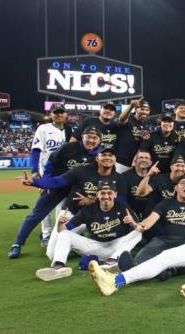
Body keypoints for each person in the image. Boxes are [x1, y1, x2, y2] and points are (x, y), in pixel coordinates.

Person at [9, 125, 101, 259]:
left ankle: (75, 242)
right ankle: (17, 244)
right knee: (37, 214)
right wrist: (45, 182)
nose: (91, 140)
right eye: (89, 137)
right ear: (82, 137)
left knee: (80, 215)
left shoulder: (99, 156)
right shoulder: (68, 148)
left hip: (78, 190)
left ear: (99, 140)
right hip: (56, 185)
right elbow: (51, 162)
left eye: (95, 138)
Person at [35, 182, 141, 281]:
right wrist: (59, 225)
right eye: (103, 193)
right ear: (97, 195)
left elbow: (140, 227)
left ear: (115, 194)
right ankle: (59, 267)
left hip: (116, 247)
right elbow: (63, 230)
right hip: (96, 247)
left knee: (138, 233)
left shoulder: (122, 207)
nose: (106, 196)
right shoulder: (89, 209)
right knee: (64, 234)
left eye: (109, 193)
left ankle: (112, 261)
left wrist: (133, 224)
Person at [29, 105, 71, 247]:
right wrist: (34, 171)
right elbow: (36, 150)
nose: (59, 115)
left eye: (61, 112)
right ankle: (46, 234)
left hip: (65, 173)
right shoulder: (43, 129)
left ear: (65, 114)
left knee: (62, 206)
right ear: (51, 115)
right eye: (56, 113)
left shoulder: (70, 130)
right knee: (46, 205)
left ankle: (57, 234)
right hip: (47, 173)